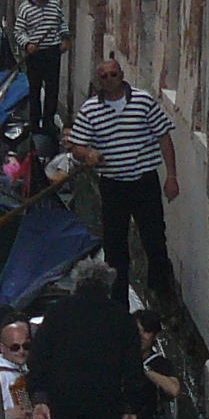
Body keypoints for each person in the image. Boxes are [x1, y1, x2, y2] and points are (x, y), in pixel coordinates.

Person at [67, 57, 180, 299]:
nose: (109, 79)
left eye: (113, 74)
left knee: (155, 241)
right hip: (113, 186)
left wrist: (171, 176)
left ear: (121, 75)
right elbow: (76, 146)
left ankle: (161, 294)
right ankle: (118, 304)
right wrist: (87, 153)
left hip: (144, 183)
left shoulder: (143, 101)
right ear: (99, 80)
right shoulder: (90, 109)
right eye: (104, 76)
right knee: (115, 247)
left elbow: (164, 137)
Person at [27, 263, 150, 419]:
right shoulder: (122, 317)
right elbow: (133, 370)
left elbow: (37, 360)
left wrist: (39, 399)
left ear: (77, 283)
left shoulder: (57, 312)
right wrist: (130, 409)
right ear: (107, 286)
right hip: (104, 407)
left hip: (62, 405)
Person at [14, 0, 69, 134]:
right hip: (35, 54)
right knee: (34, 89)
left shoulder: (54, 5)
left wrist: (65, 39)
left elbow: (61, 23)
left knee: (52, 89)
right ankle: (34, 122)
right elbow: (18, 31)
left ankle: (48, 122)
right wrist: (27, 44)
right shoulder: (25, 8)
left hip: (52, 52)